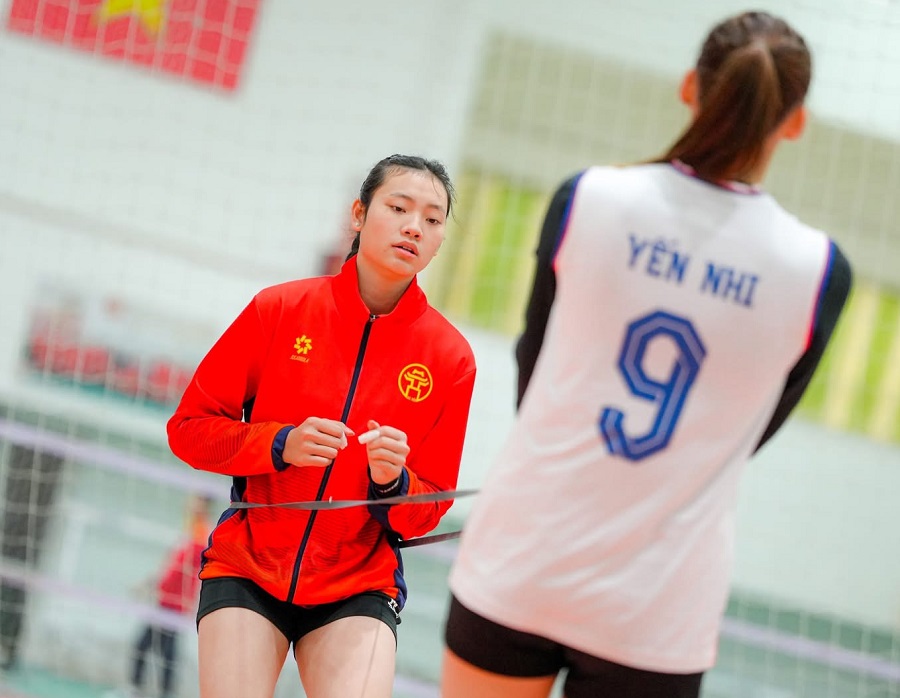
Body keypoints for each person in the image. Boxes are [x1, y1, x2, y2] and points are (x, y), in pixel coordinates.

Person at [441, 11, 852, 698]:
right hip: (658, 604)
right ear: (795, 122)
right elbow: (749, 434)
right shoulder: (817, 269)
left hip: (522, 557)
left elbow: (533, 368)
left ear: (690, 86)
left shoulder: (589, 197)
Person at [167, 154, 476, 698]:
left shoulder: (451, 358)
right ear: (358, 214)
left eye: (432, 219)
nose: (414, 227)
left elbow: (427, 509)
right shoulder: (279, 309)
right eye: (398, 208)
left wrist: (393, 482)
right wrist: (279, 443)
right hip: (249, 565)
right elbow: (189, 429)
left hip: (359, 585)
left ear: (439, 240)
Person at [127, 494, 212, 698]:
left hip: (174, 604)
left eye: (195, 500)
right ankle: (138, 689)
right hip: (167, 600)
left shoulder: (200, 535)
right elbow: (172, 566)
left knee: (160, 650)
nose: (189, 503)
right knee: (155, 648)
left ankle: (142, 691)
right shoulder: (191, 530)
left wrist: (152, 586)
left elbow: (177, 571)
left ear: (203, 505)